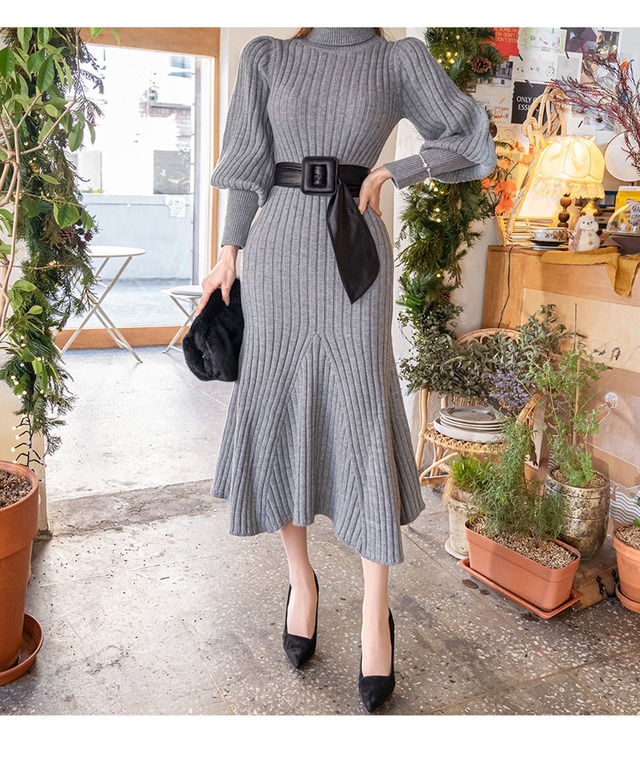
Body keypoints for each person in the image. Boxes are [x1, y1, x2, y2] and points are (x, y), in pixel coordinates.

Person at [198, 27, 496, 713]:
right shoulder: (268, 56)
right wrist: (228, 250)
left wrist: (398, 171)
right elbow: (246, 166)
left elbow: (469, 135)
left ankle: (373, 611)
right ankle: (301, 581)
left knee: (361, 414)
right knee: (282, 412)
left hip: (354, 257)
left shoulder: (398, 58)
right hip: (277, 257)